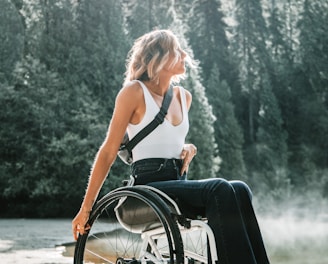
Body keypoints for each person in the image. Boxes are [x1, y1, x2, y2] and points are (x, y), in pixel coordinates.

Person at [72, 29, 270, 264]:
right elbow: (107, 152)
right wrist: (86, 208)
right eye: (177, 50)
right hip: (146, 191)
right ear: (160, 57)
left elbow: (165, 138)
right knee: (220, 188)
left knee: (239, 189)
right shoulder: (133, 92)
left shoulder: (183, 97)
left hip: (175, 184)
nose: (185, 54)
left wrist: (187, 146)